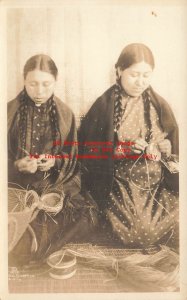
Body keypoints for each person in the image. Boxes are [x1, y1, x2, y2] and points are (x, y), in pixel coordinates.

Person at [79, 43, 179, 249]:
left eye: (146, 75)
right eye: (134, 74)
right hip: (122, 185)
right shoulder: (104, 106)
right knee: (141, 233)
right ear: (119, 71)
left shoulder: (158, 103)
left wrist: (167, 148)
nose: (140, 82)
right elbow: (87, 151)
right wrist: (121, 151)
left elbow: (172, 143)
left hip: (158, 183)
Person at [8, 54, 97, 265]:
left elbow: (72, 157)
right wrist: (17, 165)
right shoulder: (8, 112)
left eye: (46, 84)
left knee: (88, 216)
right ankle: (30, 243)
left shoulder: (65, 113)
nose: (39, 91)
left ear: (55, 82)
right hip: (16, 187)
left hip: (54, 185)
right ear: (24, 81)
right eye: (33, 84)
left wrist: (54, 162)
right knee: (22, 236)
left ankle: (33, 241)